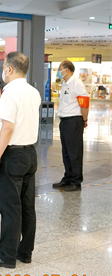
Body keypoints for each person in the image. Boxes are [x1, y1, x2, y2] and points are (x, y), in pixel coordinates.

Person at [0, 52, 41, 269]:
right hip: (30, 154)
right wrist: (0, 100)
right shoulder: (33, 92)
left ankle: (6, 255)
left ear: (9, 69)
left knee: (10, 208)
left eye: (4, 66)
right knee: (27, 206)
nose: (3, 70)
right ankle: (25, 252)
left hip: (12, 156)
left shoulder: (10, 93)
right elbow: (20, 117)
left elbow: (8, 128)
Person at [52, 60, 90, 192]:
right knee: (66, 152)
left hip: (74, 120)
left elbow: (84, 104)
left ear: (67, 69)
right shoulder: (64, 83)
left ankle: (76, 181)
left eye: (60, 69)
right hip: (64, 121)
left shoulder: (76, 83)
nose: (59, 71)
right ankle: (67, 178)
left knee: (74, 152)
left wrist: (84, 119)